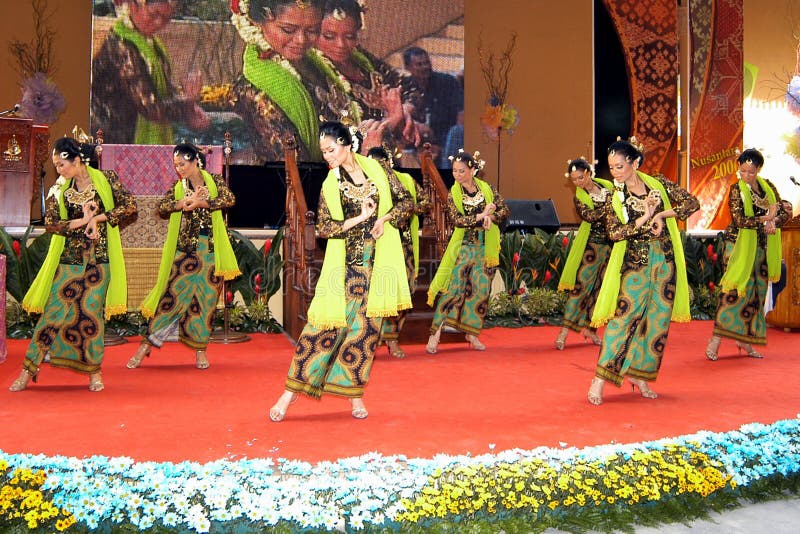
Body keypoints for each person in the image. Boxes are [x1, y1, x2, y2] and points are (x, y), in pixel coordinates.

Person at [268, 121, 412, 421]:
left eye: (331, 150)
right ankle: (288, 394)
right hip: (344, 268)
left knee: (364, 335)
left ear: (348, 144)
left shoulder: (378, 171)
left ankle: (354, 396)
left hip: (376, 267)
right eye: (323, 152)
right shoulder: (330, 185)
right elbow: (323, 227)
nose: (327, 157)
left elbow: (406, 203)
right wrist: (358, 219)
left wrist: (383, 220)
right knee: (321, 329)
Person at [10, 136, 137, 392]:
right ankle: (28, 369)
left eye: (61, 164)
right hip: (70, 260)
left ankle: (94, 372)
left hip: (100, 260)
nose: (58, 170)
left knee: (91, 313)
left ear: (77, 160)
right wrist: (83, 220)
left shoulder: (106, 179)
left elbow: (129, 207)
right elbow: (52, 224)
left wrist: (98, 218)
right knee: (54, 312)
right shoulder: (60, 188)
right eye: (56, 165)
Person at [587, 138, 699, 405]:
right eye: (612, 168)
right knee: (623, 320)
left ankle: (639, 374)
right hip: (635, 267)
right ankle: (599, 379)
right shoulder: (615, 196)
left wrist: (661, 215)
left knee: (657, 321)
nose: (615, 173)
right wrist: (646, 217)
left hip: (665, 262)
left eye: (620, 166)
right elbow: (615, 233)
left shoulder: (657, 184)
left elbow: (691, 204)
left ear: (635, 163)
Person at [126, 144, 240, 370]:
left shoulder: (215, 182)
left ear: (195, 160)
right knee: (171, 297)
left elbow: (229, 200)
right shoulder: (179, 187)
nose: (179, 169)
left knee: (205, 301)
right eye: (176, 165)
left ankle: (200, 351)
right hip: (187, 251)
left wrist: (202, 203)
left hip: (212, 251)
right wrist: (182, 203)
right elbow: (162, 207)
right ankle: (144, 347)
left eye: (182, 164)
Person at [230, 0, 361, 164]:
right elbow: (295, 172)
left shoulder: (316, 66)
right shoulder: (253, 91)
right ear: (256, 21)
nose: (301, 40)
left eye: (312, 30)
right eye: (288, 30)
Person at [704, 149, 791, 360]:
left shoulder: (768, 187)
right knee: (733, 292)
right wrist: (766, 220)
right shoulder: (736, 190)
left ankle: (745, 340)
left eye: (750, 172)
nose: (745, 175)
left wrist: (774, 222)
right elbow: (740, 220)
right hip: (738, 247)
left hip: (761, 247)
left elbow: (781, 211)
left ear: (758, 169)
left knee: (756, 294)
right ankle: (715, 340)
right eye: (742, 171)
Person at [91, 0, 210, 144]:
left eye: (166, 18)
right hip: (114, 137)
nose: (159, 22)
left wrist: (190, 109)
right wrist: (186, 103)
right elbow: (150, 107)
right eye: (154, 14)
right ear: (134, 5)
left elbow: (161, 92)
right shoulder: (122, 45)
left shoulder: (152, 44)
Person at [426, 149, 509, 354]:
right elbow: (457, 220)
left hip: (485, 249)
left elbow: (504, 209)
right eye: (454, 171)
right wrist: (481, 216)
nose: (457, 175)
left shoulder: (487, 189)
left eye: (461, 171)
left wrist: (493, 217)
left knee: (480, 292)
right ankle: (435, 334)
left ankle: (472, 334)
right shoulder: (455, 193)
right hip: (463, 248)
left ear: (472, 170)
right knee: (452, 290)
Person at [318, 0, 421, 151]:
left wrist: (404, 111)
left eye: (349, 36)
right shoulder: (314, 73)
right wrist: (391, 122)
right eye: (329, 36)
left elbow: (409, 85)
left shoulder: (361, 60)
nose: (340, 44)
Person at [367, 145, 430, 358]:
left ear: (388, 163)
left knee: (401, 294)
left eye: (379, 163)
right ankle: (372, 339)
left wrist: (405, 211)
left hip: (403, 246)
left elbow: (424, 203)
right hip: (376, 245)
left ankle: (392, 339)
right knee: (376, 292)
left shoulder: (405, 181)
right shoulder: (366, 182)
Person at [555, 157, 614, 350]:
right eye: (574, 180)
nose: (578, 182)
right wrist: (611, 206)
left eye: (580, 177)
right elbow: (591, 216)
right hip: (593, 248)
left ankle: (591, 329)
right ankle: (564, 332)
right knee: (581, 288)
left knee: (601, 289)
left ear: (588, 173)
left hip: (612, 247)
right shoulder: (580, 197)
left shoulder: (607, 187)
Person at [403, 46, 463, 165]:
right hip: (418, 140)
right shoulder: (405, 85)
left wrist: (445, 146)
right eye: (419, 64)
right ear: (408, 68)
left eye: (427, 63)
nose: (425, 67)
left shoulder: (447, 82)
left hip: (446, 140)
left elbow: (461, 114)